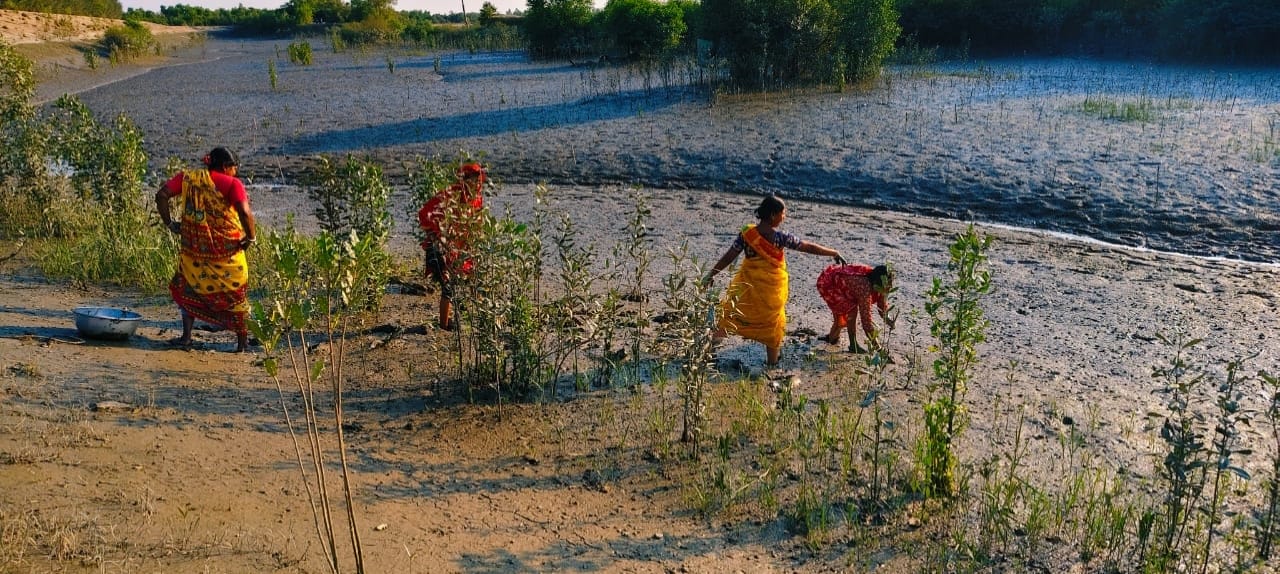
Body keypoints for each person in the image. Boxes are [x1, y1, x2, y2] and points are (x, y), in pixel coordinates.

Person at [703, 194, 845, 367]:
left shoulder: (747, 234)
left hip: (746, 285)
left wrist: (711, 274)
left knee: (730, 318)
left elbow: (729, 256)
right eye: (782, 213)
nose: (784, 217)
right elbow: (808, 247)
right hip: (770, 292)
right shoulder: (780, 238)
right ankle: (772, 362)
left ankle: (708, 354)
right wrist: (833, 252)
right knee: (772, 323)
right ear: (772, 215)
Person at [155, 147, 256, 352]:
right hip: (228, 252)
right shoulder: (233, 184)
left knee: (189, 288)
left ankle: (186, 337)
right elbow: (244, 213)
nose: (236, 172)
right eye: (234, 168)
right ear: (226, 167)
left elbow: (161, 195)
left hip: (194, 251)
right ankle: (242, 342)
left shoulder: (188, 178)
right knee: (235, 294)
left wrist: (170, 224)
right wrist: (251, 238)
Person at [418, 162, 486, 331]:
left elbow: (477, 224)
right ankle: (443, 326)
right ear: (464, 180)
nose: (476, 184)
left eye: (478, 181)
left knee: (474, 280)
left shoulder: (476, 199)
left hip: (460, 250)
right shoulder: (451, 194)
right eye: (472, 180)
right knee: (448, 286)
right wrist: (438, 236)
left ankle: (483, 319)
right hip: (442, 248)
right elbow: (424, 214)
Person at [816, 263, 895, 353]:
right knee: (852, 311)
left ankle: (832, 338)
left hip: (842, 282)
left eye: (891, 282)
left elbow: (881, 305)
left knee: (842, 319)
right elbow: (866, 324)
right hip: (829, 283)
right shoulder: (864, 288)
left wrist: (888, 320)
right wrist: (880, 351)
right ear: (879, 284)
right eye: (889, 284)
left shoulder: (877, 281)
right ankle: (853, 345)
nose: (891, 287)